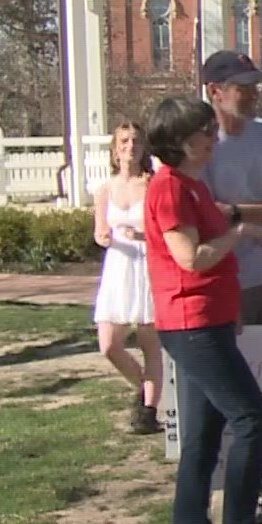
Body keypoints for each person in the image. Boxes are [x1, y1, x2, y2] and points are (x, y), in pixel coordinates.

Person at [142, 95, 262, 524]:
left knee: (204, 427)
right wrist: (237, 234)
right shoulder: (169, 190)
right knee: (251, 418)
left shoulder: (194, 185)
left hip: (211, 319)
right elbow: (190, 257)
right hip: (190, 322)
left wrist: (230, 308)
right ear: (181, 142)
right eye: (205, 133)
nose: (213, 139)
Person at [199, 49, 262, 509]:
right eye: (243, 87)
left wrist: (238, 212)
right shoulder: (200, 145)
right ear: (215, 92)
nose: (254, 95)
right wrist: (237, 221)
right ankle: (231, 481)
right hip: (223, 278)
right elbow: (201, 214)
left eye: (256, 86)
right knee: (234, 385)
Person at [91, 121, 162, 435]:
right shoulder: (104, 190)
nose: (129, 147)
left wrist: (143, 234)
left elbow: (166, 231)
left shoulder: (153, 184)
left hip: (147, 265)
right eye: (123, 142)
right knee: (109, 344)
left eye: (135, 141)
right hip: (118, 268)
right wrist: (103, 237)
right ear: (114, 149)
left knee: (150, 342)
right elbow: (99, 232)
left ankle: (149, 409)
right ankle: (143, 386)